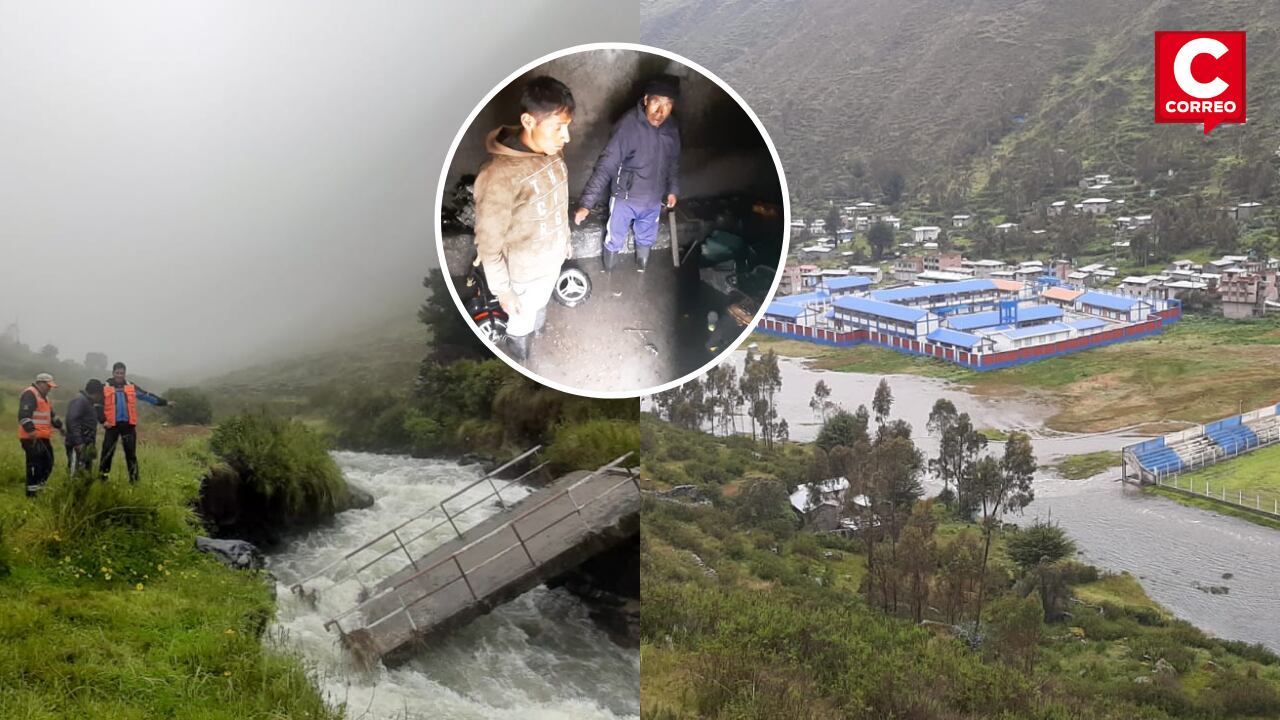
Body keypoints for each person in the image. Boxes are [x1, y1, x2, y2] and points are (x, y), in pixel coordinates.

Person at [472, 75, 575, 362]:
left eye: (568, 127)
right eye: (559, 128)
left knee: (538, 307)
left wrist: (564, 240)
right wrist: (504, 291)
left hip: (552, 259)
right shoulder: (498, 176)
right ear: (529, 122)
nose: (566, 137)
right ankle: (522, 359)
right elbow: (488, 246)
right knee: (520, 318)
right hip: (524, 274)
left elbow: (558, 200)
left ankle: (535, 327)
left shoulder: (551, 151)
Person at [574, 75, 682, 273]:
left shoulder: (671, 127)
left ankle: (642, 265)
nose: (660, 111)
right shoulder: (628, 125)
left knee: (647, 236)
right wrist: (586, 204)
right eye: (656, 102)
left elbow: (673, 161)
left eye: (667, 105)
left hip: (653, 200)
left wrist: (672, 190)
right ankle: (609, 269)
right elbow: (606, 164)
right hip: (625, 198)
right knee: (615, 236)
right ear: (646, 99)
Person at [100, 362, 170, 484]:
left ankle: (134, 481)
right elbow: (97, 405)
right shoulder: (105, 387)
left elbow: (146, 396)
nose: (119, 376)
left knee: (131, 454)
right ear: (113, 373)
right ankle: (103, 479)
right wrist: (102, 420)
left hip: (128, 426)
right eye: (117, 373)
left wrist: (164, 402)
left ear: (125, 373)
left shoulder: (130, 386)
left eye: (122, 373)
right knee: (107, 453)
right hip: (112, 426)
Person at [17, 372, 63, 497]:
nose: (49, 388)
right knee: (34, 465)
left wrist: (61, 427)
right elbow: (23, 415)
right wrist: (31, 431)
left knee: (48, 462)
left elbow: (51, 416)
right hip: (31, 437)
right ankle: (32, 494)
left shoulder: (45, 398)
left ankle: (39, 487)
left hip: (43, 436)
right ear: (40, 383)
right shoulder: (30, 393)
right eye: (48, 386)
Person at [64, 379, 104, 476]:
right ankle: (71, 490)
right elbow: (72, 420)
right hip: (78, 444)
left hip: (87, 443)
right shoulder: (80, 401)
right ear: (96, 393)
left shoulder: (89, 402)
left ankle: (82, 490)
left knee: (85, 473)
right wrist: (78, 442)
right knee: (75, 472)